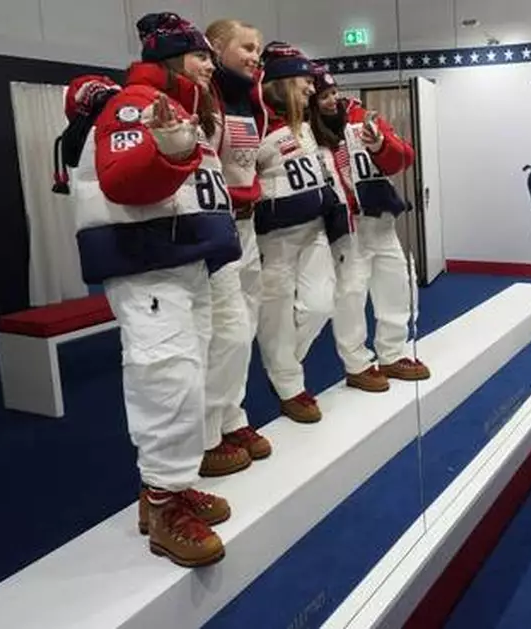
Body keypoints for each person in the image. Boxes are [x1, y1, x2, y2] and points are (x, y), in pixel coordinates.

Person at [65, 11, 242, 568]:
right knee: (167, 375)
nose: (209, 64)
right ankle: (164, 507)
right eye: (199, 55)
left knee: (189, 373)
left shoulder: (182, 106)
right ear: (170, 57)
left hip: (181, 257)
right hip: (146, 264)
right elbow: (122, 181)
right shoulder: (136, 102)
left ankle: (168, 487)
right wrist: (166, 150)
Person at [309, 67, 429, 393]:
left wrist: (378, 145)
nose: (332, 100)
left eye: (333, 92)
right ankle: (357, 364)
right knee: (351, 294)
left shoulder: (362, 117)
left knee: (395, 286)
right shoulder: (307, 130)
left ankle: (392, 353)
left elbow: (404, 157)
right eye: (322, 95)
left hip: (381, 220)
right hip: (347, 228)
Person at [197, 18, 272, 476]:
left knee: (244, 330)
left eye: (257, 49)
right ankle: (204, 436)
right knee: (224, 333)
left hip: (247, 226)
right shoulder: (203, 96)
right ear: (216, 46)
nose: (253, 56)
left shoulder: (251, 95)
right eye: (245, 47)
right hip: (216, 227)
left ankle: (231, 418)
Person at [253, 42, 341, 422]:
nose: (311, 87)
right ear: (283, 81)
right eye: (305, 80)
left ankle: (285, 361)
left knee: (321, 303)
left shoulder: (304, 125)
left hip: (314, 228)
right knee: (274, 315)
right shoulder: (255, 124)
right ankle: (289, 384)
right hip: (273, 237)